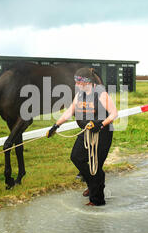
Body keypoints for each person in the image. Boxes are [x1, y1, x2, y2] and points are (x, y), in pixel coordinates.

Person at [46, 67, 118, 206]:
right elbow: (69, 111)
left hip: (102, 134)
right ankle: (94, 183)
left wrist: (101, 124)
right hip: (86, 131)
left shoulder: (101, 93)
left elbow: (114, 114)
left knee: (95, 166)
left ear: (87, 82)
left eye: (79, 83)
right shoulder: (79, 94)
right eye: (76, 83)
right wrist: (56, 126)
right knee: (76, 157)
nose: (77, 85)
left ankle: (97, 200)